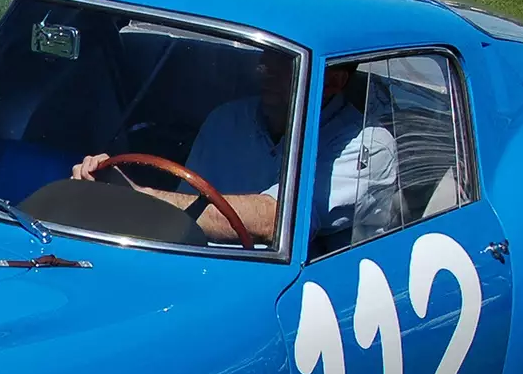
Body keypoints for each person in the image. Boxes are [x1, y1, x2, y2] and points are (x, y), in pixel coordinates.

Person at [71, 59, 397, 244]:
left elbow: (276, 219)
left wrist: (138, 200)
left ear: (333, 82)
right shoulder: (227, 119)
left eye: (283, 65)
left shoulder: (368, 145)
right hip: (197, 265)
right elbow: (184, 211)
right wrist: (104, 188)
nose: (262, 70)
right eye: (266, 58)